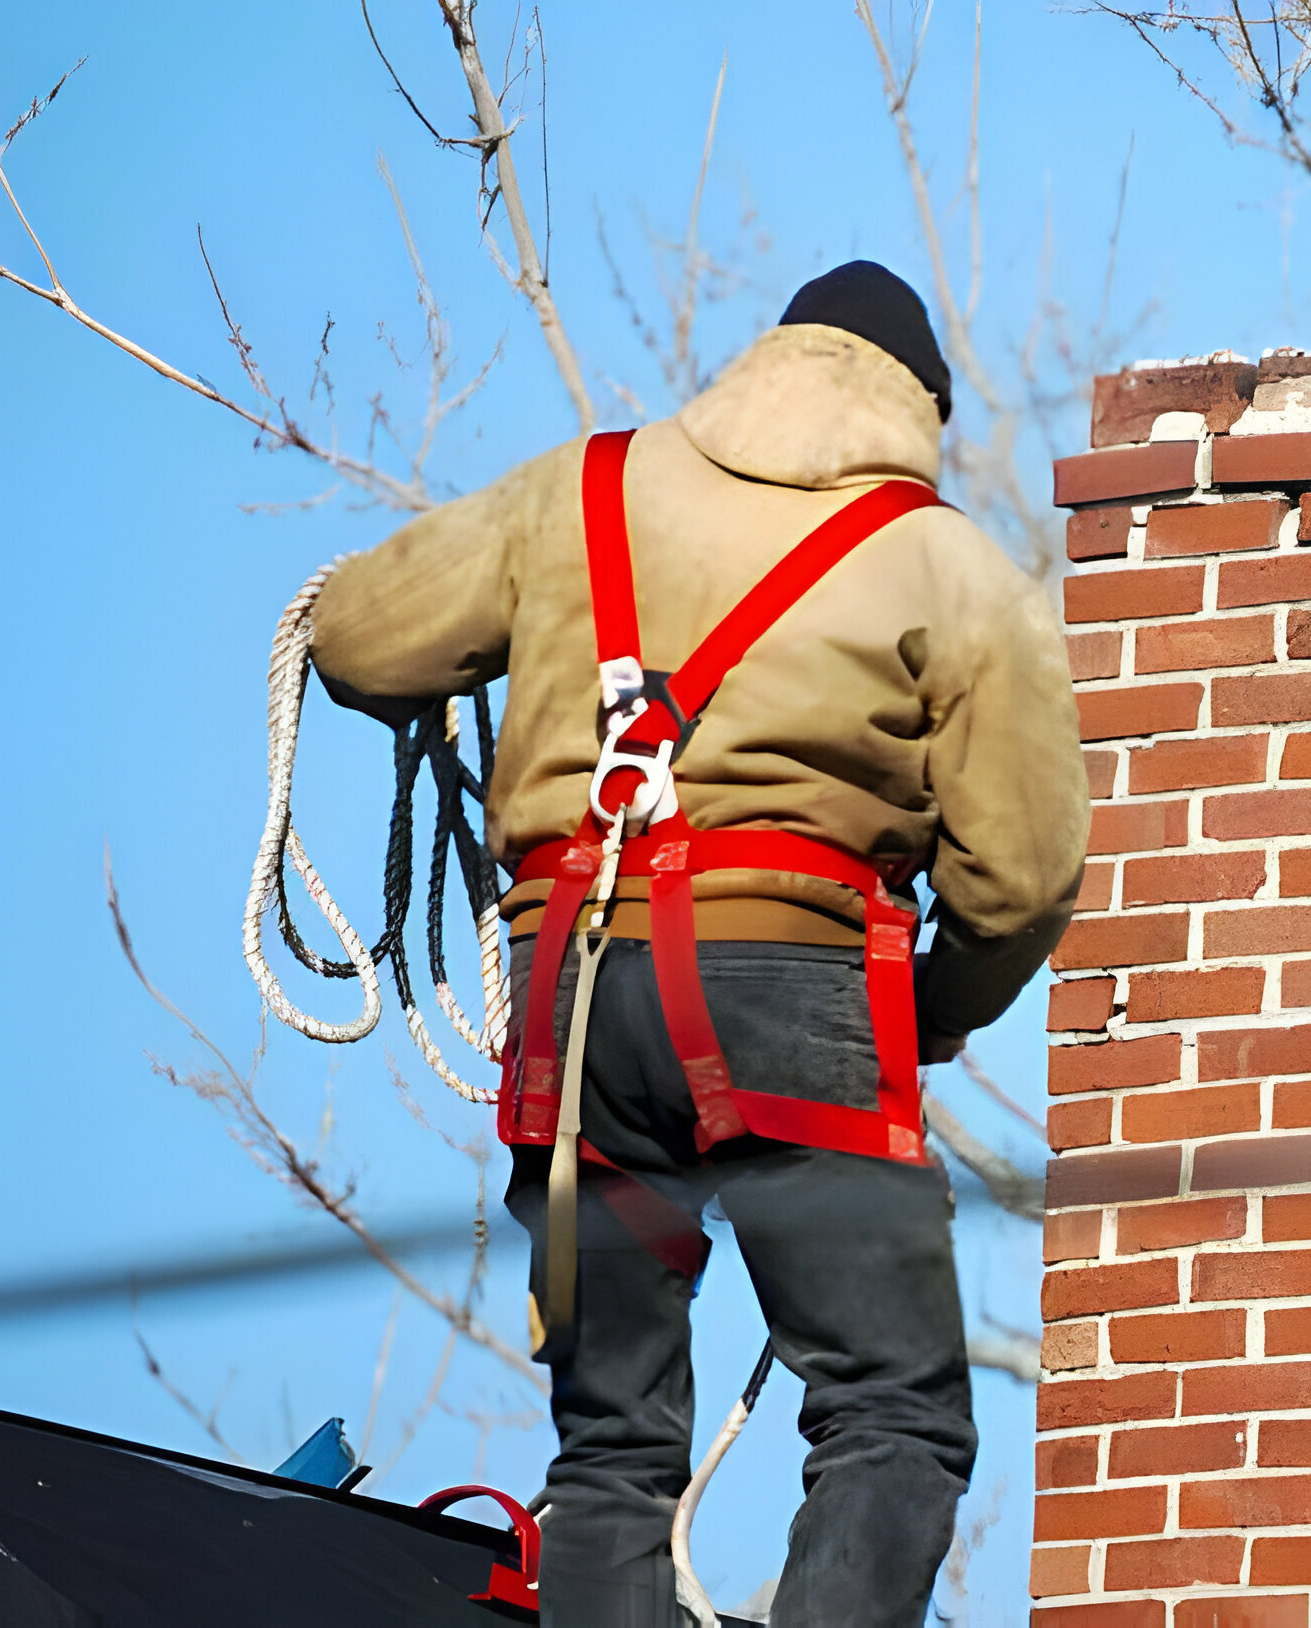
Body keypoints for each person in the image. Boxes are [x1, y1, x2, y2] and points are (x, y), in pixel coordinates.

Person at [304, 261, 1089, 1627]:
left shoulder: (578, 492)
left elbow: (360, 638)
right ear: (917, 412)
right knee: (891, 1412)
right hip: (792, 994)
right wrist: (939, 1001)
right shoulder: (946, 561)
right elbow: (1020, 881)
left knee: (611, 1447)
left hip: (576, 998)